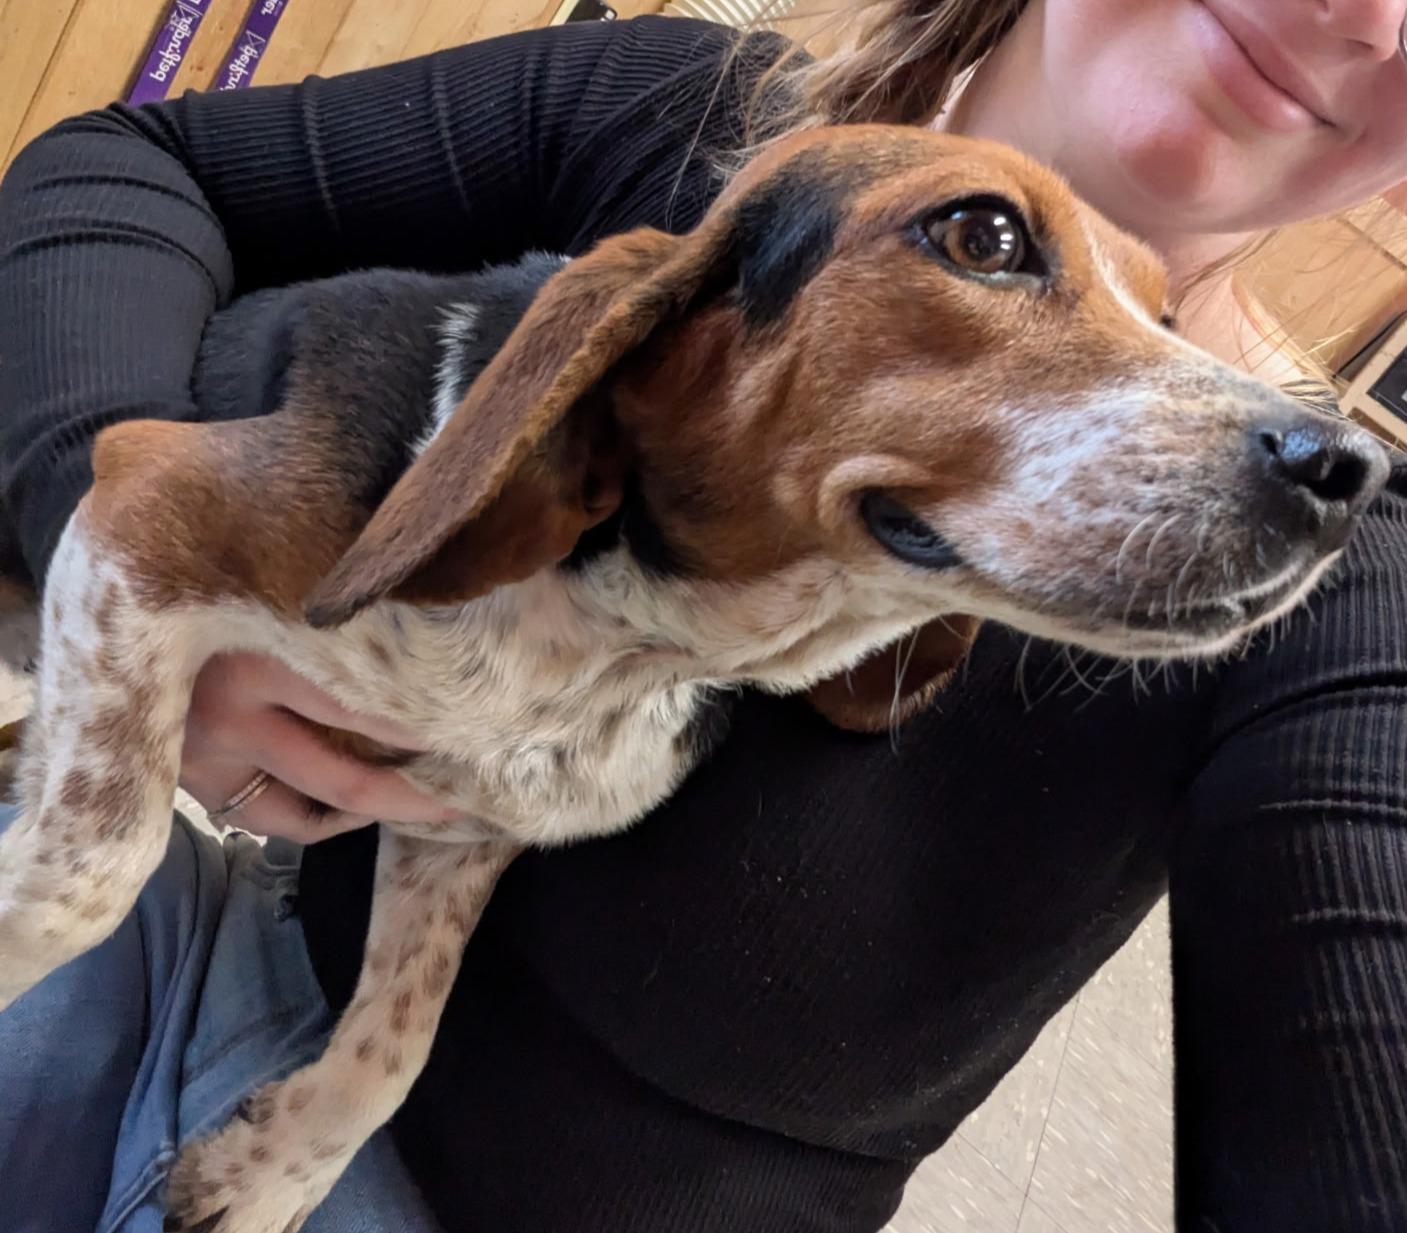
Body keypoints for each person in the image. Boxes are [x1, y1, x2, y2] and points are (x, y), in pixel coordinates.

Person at [0, 2, 1405, 1230]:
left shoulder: (1358, 581)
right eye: (984, 240)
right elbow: (128, 160)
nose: (1364, 8)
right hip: (163, 915)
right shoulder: (674, 117)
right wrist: (82, 505)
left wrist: (357, 1082)